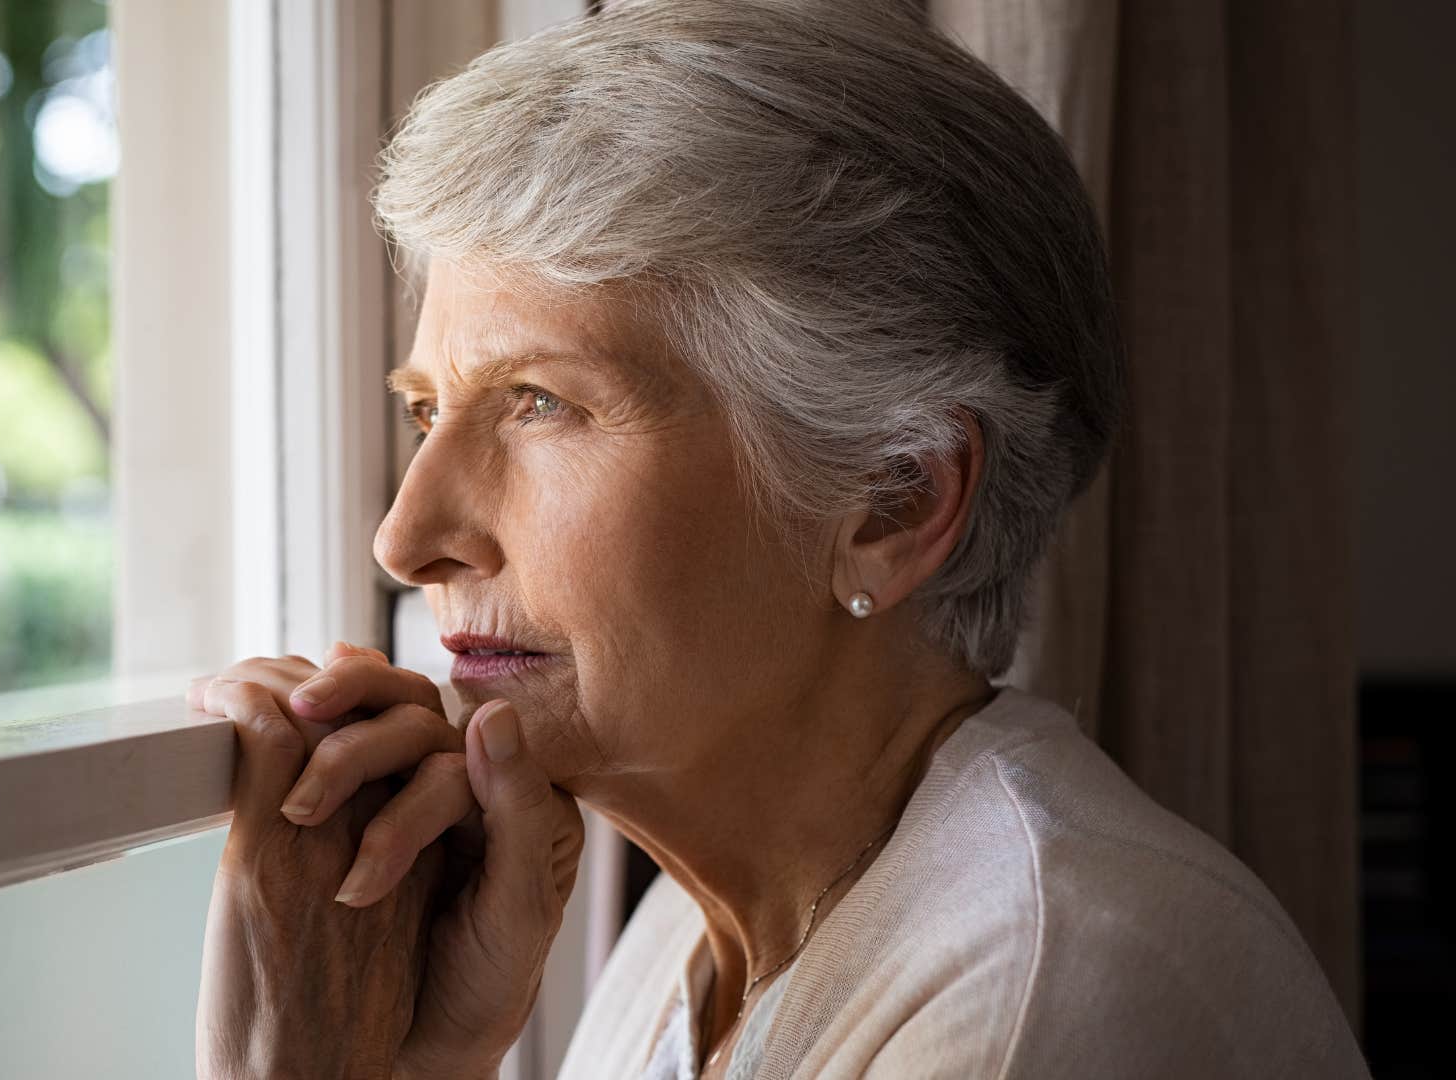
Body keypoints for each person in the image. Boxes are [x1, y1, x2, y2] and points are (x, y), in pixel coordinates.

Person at [190, 2, 1368, 1076]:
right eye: (426, 412)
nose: (408, 538)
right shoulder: (691, 936)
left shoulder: (1042, 1001)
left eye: (539, 403)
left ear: (893, 501)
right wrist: (436, 1056)